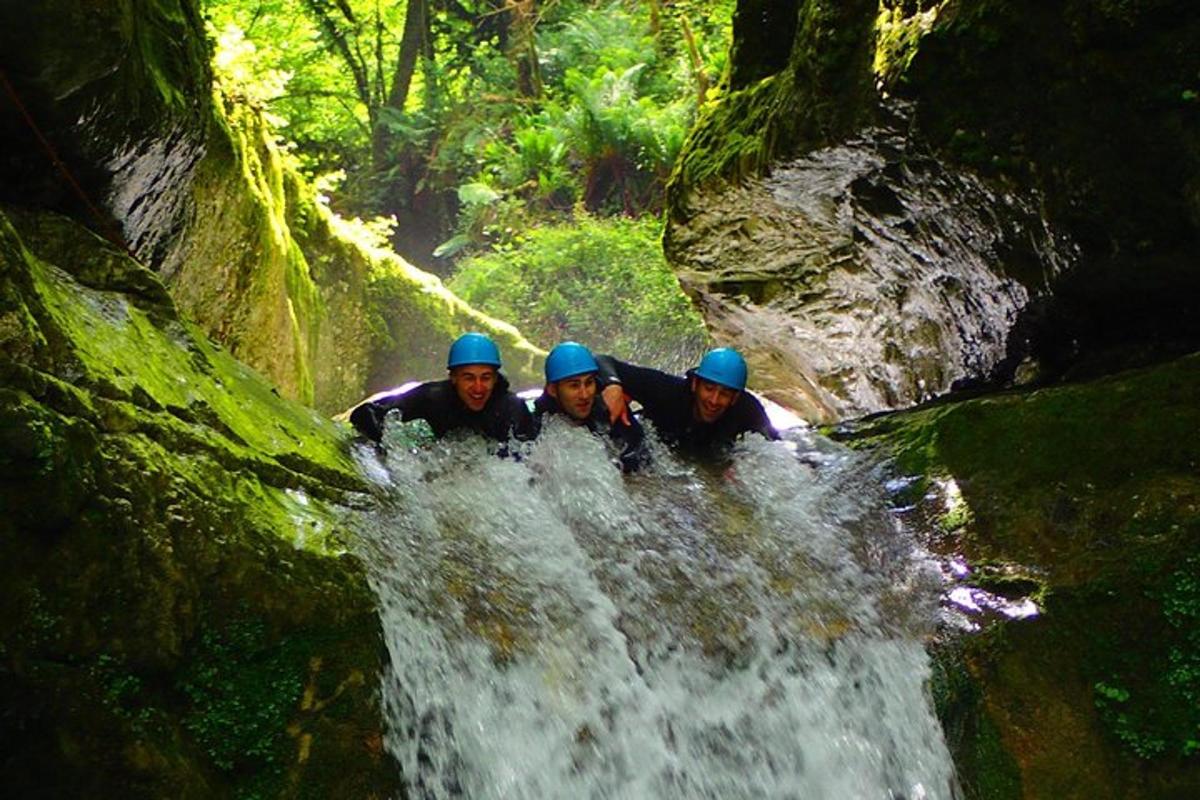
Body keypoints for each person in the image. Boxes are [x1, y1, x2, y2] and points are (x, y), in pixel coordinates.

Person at [349, 332, 535, 444]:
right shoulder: (434, 397)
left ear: (495, 379)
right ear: (453, 378)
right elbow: (365, 414)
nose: (478, 388)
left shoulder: (512, 407)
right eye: (468, 378)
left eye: (485, 378)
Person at [596, 347, 778, 453]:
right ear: (695, 384)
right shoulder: (667, 390)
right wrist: (612, 385)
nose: (714, 400)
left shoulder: (746, 409)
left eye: (724, 394)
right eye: (709, 388)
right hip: (651, 447)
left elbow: (775, 448)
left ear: (735, 397)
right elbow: (602, 360)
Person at [532, 342, 646, 472]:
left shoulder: (609, 409)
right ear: (553, 390)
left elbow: (642, 459)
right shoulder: (539, 428)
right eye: (574, 386)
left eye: (589, 383)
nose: (585, 395)